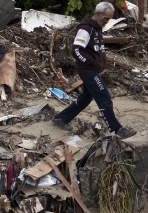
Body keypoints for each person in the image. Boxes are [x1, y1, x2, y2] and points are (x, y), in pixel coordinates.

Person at [52, 2, 136, 139]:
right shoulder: (86, 29)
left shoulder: (97, 29)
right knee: (104, 97)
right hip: (87, 70)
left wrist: (101, 63)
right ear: (97, 14)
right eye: (106, 18)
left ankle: (61, 119)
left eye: (109, 19)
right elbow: (76, 50)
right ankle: (117, 129)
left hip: (92, 70)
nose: (107, 21)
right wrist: (92, 64)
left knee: (86, 98)